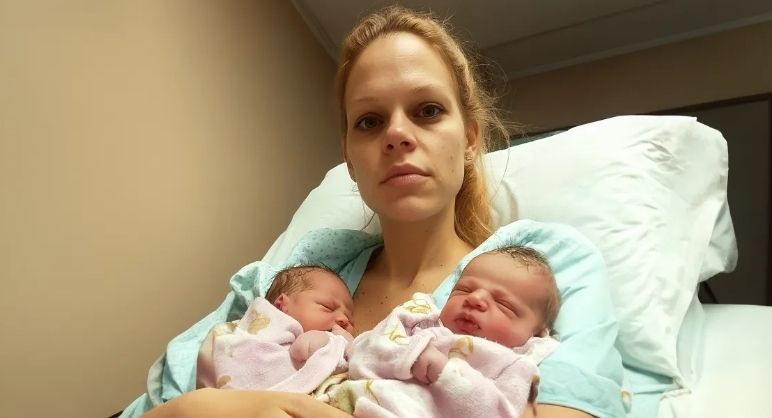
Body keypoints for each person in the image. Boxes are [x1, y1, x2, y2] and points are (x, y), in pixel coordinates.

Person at [132, 5, 625, 418]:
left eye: (427, 111)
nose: (397, 134)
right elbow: (160, 402)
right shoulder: (302, 273)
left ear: (470, 139)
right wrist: (210, 408)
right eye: (369, 121)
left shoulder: (542, 269)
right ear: (349, 158)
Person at [322, 246, 560, 417]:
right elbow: (363, 351)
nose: (475, 298)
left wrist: (446, 374)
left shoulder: (514, 365)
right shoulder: (418, 319)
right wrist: (408, 355)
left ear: (537, 334)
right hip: (347, 402)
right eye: (464, 289)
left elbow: (498, 413)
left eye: (503, 304)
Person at [195, 265, 354, 393]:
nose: (344, 319)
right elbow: (302, 349)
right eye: (327, 307)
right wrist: (338, 343)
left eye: (349, 318)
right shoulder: (268, 325)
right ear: (281, 304)